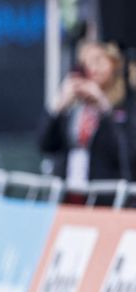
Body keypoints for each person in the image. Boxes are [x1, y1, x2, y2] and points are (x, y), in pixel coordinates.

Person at [39, 40, 135, 191]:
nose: (93, 68)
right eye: (86, 62)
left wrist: (105, 108)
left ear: (114, 63)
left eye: (98, 60)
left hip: (107, 195)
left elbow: (126, 153)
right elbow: (45, 145)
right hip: (70, 193)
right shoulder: (76, 107)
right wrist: (58, 107)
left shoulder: (126, 104)